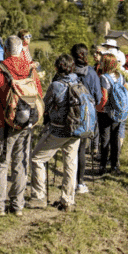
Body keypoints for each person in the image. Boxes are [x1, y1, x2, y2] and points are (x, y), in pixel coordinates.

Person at [0, 36, 43, 217]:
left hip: (4, 123)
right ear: (20, 50)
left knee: (0, 164)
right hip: (26, 124)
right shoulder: (30, 69)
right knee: (20, 164)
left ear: (5, 50)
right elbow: (39, 95)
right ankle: (17, 205)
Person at [29, 54, 83, 212]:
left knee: (37, 159)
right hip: (76, 129)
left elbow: (44, 105)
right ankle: (68, 200)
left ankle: (39, 196)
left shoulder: (56, 85)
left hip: (58, 130)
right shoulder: (78, 82)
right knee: (70, 164)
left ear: (57, 68)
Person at [71, 44, 102, 194]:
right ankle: (80, 183)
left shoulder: (68, 70)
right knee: (81, 150)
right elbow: (98, 98)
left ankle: (69, 181)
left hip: (69, 115)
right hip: (85, 117)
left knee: (68, 149)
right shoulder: (92, 73)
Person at [96, 53, 128, 175]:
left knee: (105, 139)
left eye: (102, 61)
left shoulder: (104, 78)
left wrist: (98, 108)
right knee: (115, 139)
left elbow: (104, 97)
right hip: (118, 111)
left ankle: (103, 166)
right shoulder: (120, 76)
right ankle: (114, 166)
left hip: (105, 112)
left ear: (106, 64)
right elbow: (127, 92)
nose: (100, 63)